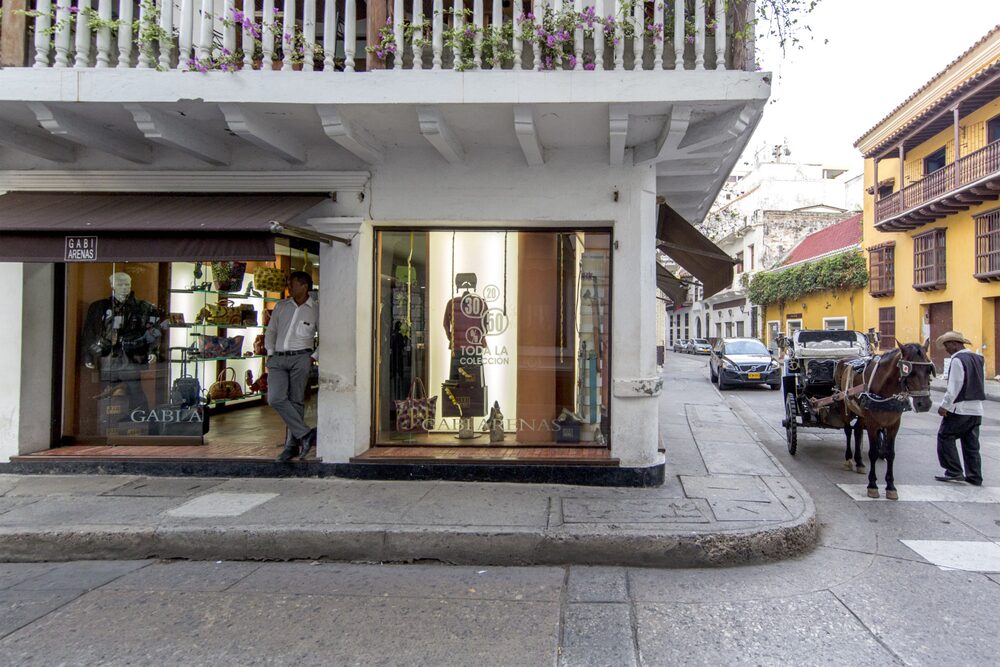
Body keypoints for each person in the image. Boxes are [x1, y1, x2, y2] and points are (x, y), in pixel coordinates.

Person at [82, 272, 161, 417]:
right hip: (107, 354)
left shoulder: (143, 307)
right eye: (120, 284)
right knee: (108, 389)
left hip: (131, 354)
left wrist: (152, 351)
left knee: (134, 387)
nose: (124, 288)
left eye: (127, 284)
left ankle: (141, 418)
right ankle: (108, 421)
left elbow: (152, 331)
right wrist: (88, 355)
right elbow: (90, 332)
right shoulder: (99, 307)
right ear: (112, 286)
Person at [266, 271, 319, 462]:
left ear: (304, 286)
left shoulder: (314, 309)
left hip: (301, 357)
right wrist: (270, 353)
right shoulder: (281, 306)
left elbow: (325, 335)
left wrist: (312, 357)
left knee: (296, 401)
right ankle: (305, 434)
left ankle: (291, 446)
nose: (289, 287)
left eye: (293, 284)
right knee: (275, 398)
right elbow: (271, 331)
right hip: (279, 357)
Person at [934, 331, 985, 486]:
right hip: (976, 409)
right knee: (971, 444)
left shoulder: (957, 360)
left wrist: (944, 406)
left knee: (945, 437)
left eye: (947, 346)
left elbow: (955, 386)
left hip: (960, 408)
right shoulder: (978, 358)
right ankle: (975, 476)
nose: (946, 350)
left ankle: (954, 471)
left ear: (954, 344)